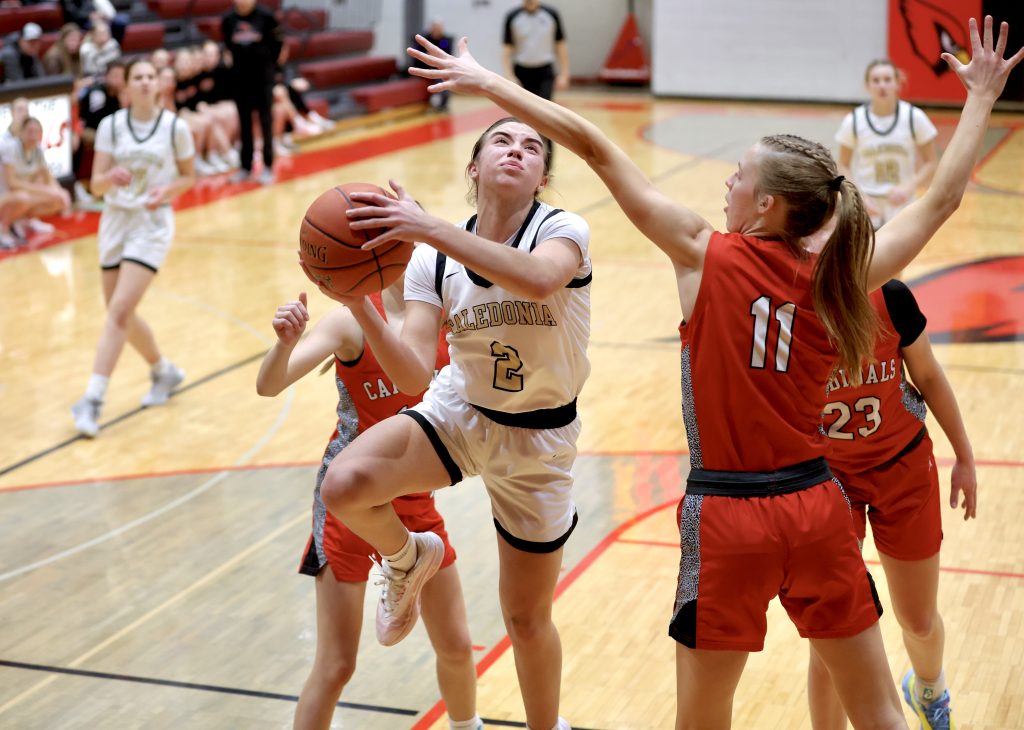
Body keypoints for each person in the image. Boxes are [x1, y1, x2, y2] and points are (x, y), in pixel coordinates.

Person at [407, 15, 1023, 729]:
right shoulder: (839, 275)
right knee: (881, 715)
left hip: (727, 515)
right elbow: (941, 202)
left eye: (740, 174)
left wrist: (490, 85)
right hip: (819, 507)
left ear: (766, 203)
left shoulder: (703, 255)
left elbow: (596, 148)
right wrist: (979, 95)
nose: (727, 181)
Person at [308, 117, 590, 730]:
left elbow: (538, 280)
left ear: (542, 177)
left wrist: (426, 226)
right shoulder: (431, 260)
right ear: (474, 166)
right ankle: (407, 558)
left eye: (532, 148)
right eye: (502, 141)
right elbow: (411, 373)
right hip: (459, 410)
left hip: (538, 437)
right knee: (345, 484)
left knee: (525, 616)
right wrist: (357, 301)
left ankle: (548, 726)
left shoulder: (563, 231)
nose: (517, 150)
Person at [255, 281, 482, 730]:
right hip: (349, 502)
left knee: (456, 646)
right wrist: (284, 346)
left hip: (413, 499)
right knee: (337, 664)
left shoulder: (449, 314)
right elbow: (269, 384)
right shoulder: (350, 319)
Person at [806, 280, 976, 730]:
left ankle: (929, 689)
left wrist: (965, 456)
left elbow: (929, 374)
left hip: (901, 467)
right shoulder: (788, 300)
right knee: (830, 635)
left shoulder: (891, 296)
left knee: (918, 620)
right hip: (827, 478)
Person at [71, 58, 196, 438]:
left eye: (150, 76)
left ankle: (92, 399)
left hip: (151, 224)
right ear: (125, 86)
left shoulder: (175, 127)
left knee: (120, 310)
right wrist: (110, 177)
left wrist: (167, 190)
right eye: (137, 77)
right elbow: (95, 187)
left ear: (159, 84)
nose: (144, 82)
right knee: (118, 313)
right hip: (115, 220)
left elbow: (189, 177)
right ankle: (163, 371)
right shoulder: (111, 126)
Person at [836, 59, 939, 229]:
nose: (882, 85)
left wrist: (908, 187)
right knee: (865, 255)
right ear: (867, 85)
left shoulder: (914, 117)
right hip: (867, 202)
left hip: (902, 202)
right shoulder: (853, 120)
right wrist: (858, 195)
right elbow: (842, 165)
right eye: (876, 80)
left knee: (903, 255)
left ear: (898, 83)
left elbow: (931, 163)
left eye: (887, 79)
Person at [221, 0, 283, 185]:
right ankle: (245, 168)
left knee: (265, 123)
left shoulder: (267, 17)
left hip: (263, 80)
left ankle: (267, 167)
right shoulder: (228, 19)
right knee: (244, 124)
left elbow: (278, 45)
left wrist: (268, 67)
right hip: (240, 81)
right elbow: (228, 46)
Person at [0, 116, 72, 243]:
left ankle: (24, 220)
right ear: (21, 132)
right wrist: (45, 190)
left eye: (37, 132)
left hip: (21, 194)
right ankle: (3, 228)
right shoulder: (10, 148)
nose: (33, 136)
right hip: (5, 195)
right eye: (30, 131)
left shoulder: (37, 149)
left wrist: (61, 193)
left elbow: (48, 176)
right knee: (24, 198)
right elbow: (12, 183)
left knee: (57, 200)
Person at [502, 0, 569, 101]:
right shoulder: (512, 16)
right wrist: (509, 75)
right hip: (521, 72)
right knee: (522, 108)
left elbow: (560, 45)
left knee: (545, 108)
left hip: (545, 71)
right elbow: (507, 48)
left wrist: (564, 74)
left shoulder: (551, 14)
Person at [411, 19, 455, 111]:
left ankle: (442, 102)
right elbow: (417, 55)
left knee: (445, 78)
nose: (438, 30)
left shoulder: (445, 40)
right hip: (424, 67)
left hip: (439, 69)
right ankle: (435, 100)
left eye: (439, 28)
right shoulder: (425, 39)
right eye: (435, 28)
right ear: (431, 28)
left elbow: (448, 55)